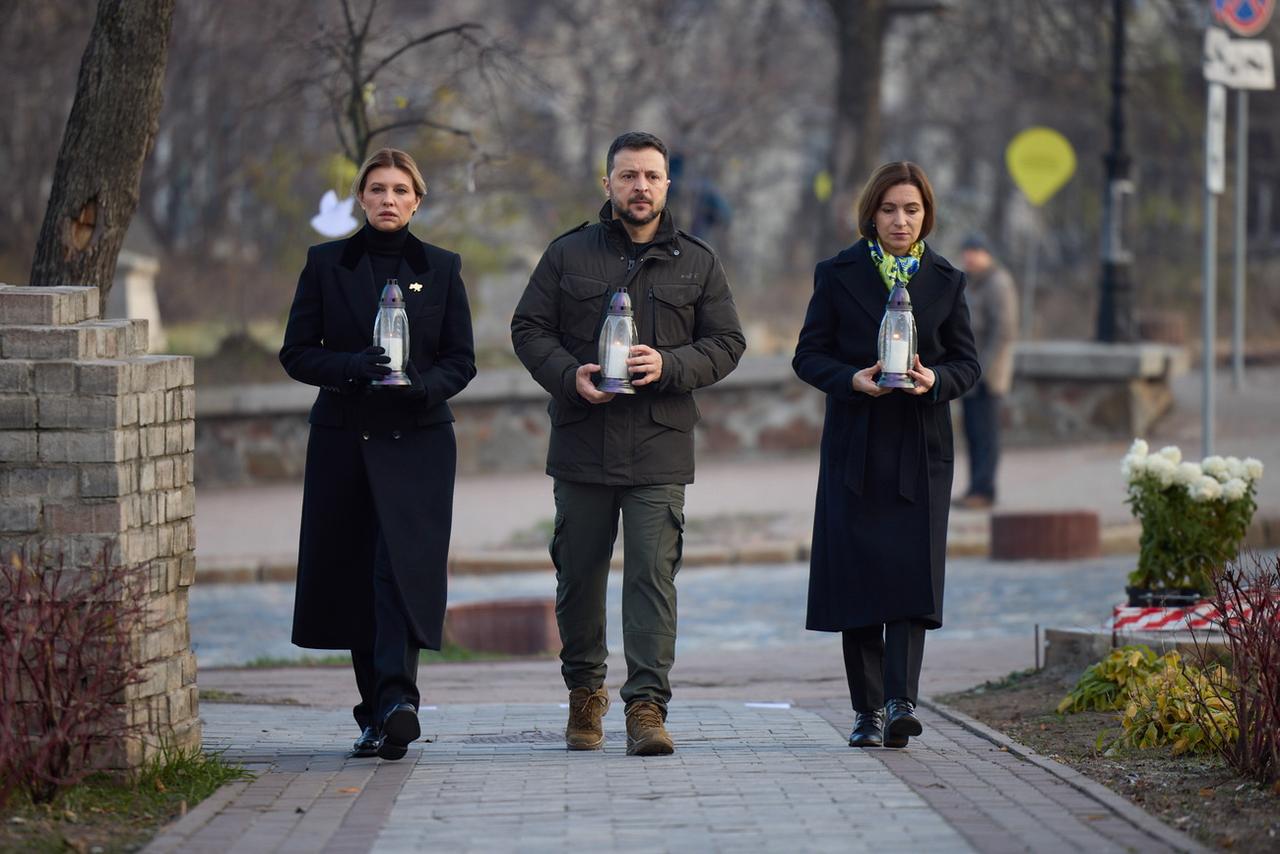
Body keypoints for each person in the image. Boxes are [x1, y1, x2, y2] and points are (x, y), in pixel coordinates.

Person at [510, 131, 745, 756]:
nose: (640, 187)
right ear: (607, 184)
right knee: (578, 579)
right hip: (583, 443)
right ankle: (585, 697)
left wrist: (668, 365)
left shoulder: (699, 261)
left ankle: (647, 709)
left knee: (651, 579)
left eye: (651, 176)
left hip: (659, 448)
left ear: (668, 185)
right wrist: (569, 374)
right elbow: (528, 327)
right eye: (627, 176)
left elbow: (727, 343)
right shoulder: (567, 254)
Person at [280, 147, 476, 760]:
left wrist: (422, 386)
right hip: (344, 440)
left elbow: (461, 361)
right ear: (360, 198)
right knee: (355, 574)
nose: (388, 199)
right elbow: (296, 353)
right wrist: (349, 368)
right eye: (377, 189)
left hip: (418, 441)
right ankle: (376, 710)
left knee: (400, 571)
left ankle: (398, 701)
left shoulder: (442, 268)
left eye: (400, 190)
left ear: (417, 200)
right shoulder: (325, 264)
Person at [792, 161, 979, 749]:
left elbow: (967, 364)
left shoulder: (947, 279)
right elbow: (807, 355)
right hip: (857, 446)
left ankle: (901, 701)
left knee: (910, 575)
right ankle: (865, 712)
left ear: (927, 215)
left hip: (920, 449)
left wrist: (934, 380)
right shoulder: (837, 272)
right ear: (872, 213)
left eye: (913, 209)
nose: (901, 220)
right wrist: (852, 379)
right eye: (891, 209)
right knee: (859, 579)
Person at [956, 235, 1018, 509]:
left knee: (986, 435)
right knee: (972, 433)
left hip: (988, 376)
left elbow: (1003, 331)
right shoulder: (970, 283)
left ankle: (985, 490)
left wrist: (982, 369)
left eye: (976, 252)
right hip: (970, 374)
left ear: (988, 254)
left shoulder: (998, 283)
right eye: (967, 252)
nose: (970, 257)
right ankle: (974, 489)